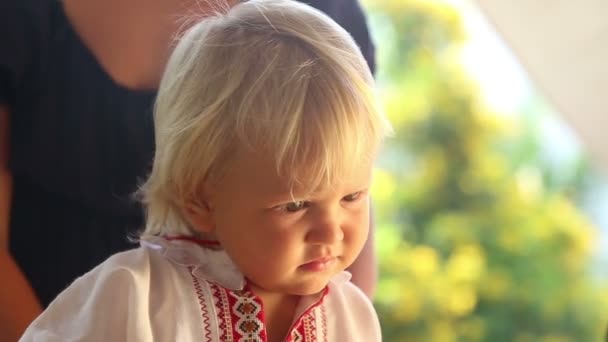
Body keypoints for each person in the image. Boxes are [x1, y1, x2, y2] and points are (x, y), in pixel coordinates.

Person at [0, 0, 377, 339]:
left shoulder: (349, 312)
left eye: (353, 196)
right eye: (295, 205)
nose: (331, 231)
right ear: (199, 198)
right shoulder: (134, 296)